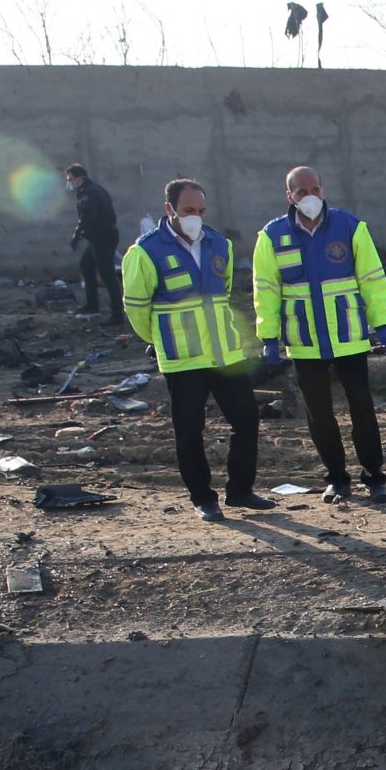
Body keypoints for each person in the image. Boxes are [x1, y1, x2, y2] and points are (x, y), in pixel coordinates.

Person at [124, 178, 272, 522]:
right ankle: (204, 498)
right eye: (189, 210)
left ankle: (240, 491)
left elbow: (226, 291)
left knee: (246, 420)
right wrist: (161, 340)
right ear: (170, 209)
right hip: (183, 359)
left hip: (225, 354)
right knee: (190, 430)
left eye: (201, 211)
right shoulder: (145, 252)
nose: (196, 217)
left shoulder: (220, 244)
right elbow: (136, 308)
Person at [252, 165, 386, 504]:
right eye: (301, 192)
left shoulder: (349, 227)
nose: (309, 196)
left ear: (323, 189)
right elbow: (265, 289)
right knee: (319, 415)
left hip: (349, 335)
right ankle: (337, 479)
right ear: (290, 197)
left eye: (314, 188)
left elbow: (372, 279)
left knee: (362, 408)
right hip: (304, 341)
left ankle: (375, 477)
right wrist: (269, 337)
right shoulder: (272, 236)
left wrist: (382, 322)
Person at [65, 163, 121, 317]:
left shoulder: (89, 193)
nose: (69, 182)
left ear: (80, 178)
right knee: (86, 266)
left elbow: (87, 217)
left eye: (71, 179)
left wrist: (77, 236)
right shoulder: (89, 190)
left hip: (103, 237)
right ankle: (92, 306)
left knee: (107, 275)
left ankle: (117, 313)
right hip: (98, 237)